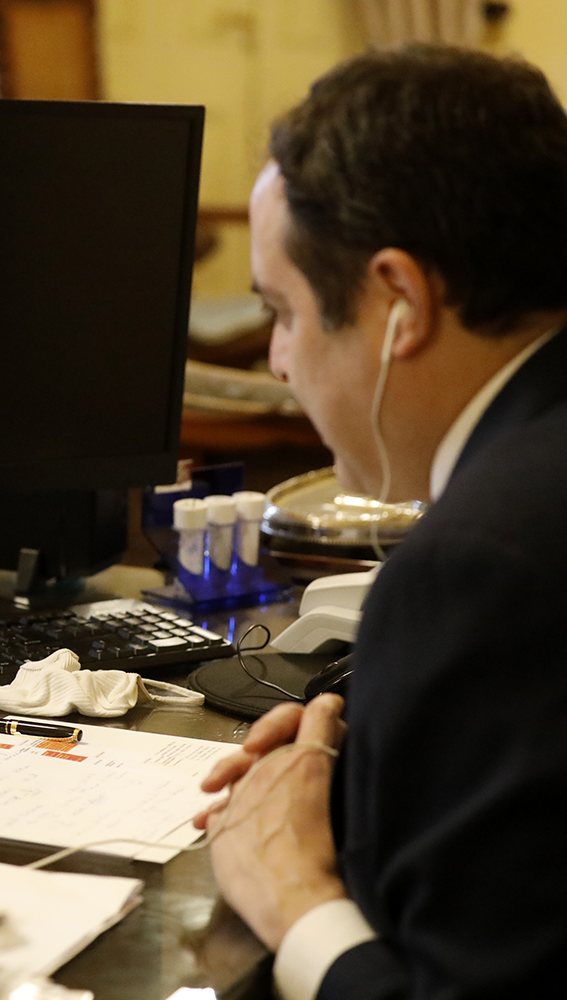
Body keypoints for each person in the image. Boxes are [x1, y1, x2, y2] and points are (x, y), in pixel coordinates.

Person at [193, 45, 567, 1000]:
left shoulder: (482, 564)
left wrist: (293, 894)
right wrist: (394, 735)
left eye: (284, 311)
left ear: (399, 301)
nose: (279, 360)